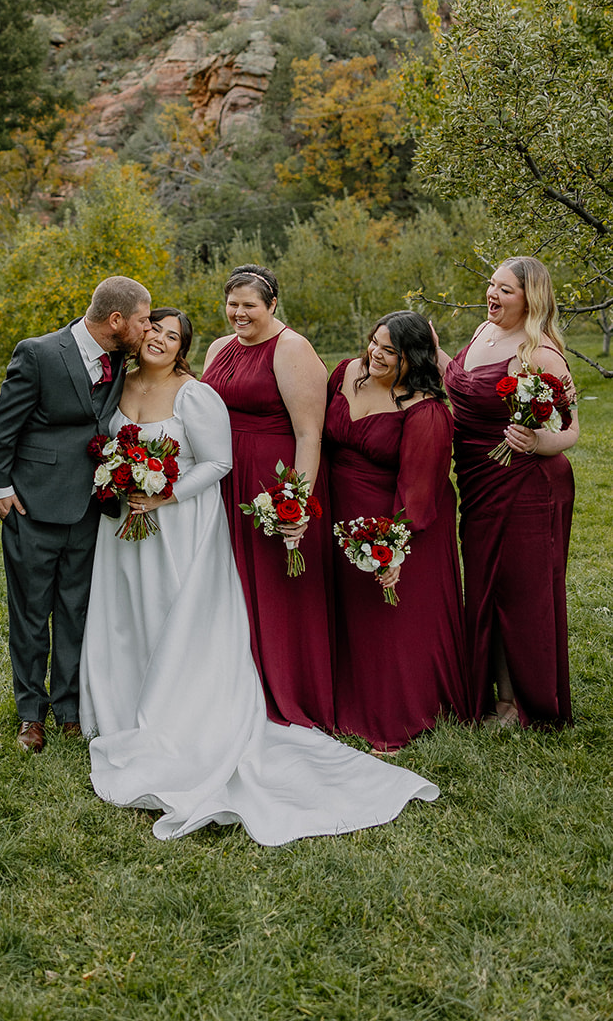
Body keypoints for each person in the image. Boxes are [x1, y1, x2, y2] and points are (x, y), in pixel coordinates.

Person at [79, 308, 439, 842]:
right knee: (125, 614)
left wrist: (162, 492)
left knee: (173, 611)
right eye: (152, 328)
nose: (158, 337)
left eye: (172, 335)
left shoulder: (197, 392)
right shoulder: (114, 386)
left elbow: (223, 459)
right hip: (124, 529)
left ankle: (178, 713)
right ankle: (117, 702)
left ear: (183, 350)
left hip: (179, 519)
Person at [0, 276, 151, 752]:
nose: (147, 329)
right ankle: (30, 714)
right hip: (32, 504)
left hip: (91, 507)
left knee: (77, 611)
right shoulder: (38, 353)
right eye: (142, 320)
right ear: (115, 320)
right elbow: (2, 424)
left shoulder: (121, 357)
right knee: (32, 614)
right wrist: (0, 488)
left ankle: (70, 708)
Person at [440, 257, 578, 728]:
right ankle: (495, 695)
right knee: (484, 588)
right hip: (478, 479)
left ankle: (523, 703)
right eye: (492, 286)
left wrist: (540, 441)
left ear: (531, 299)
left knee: (521, 595)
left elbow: (572, 428)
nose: (493, 296)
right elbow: (462, 385)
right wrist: (434, 353)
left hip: (528, 486)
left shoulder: (542, 354)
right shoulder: (482, 331)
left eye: (506, 290)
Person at [324, 312, 469, 751]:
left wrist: (392, 549)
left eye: (390, 350)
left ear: (415, 357)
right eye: (375, 342)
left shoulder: (425, 409)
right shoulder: (347, 372)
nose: (376, 354)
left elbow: (419, 489)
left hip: (397, 521)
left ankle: (401, 711)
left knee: (391, 619)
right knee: (349, 613)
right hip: (340, 515)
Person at [202, 265, 335, 728]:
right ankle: (231, 684)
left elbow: (309, 434)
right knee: (227, 581)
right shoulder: (219, 347)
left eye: (250, 306)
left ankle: (285, 688)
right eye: (232, 304)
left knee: (275, 586)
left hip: (269, 479)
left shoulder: (291, 348)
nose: (239, 313)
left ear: (272, 305)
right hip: (222, 479)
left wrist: (296, 500)